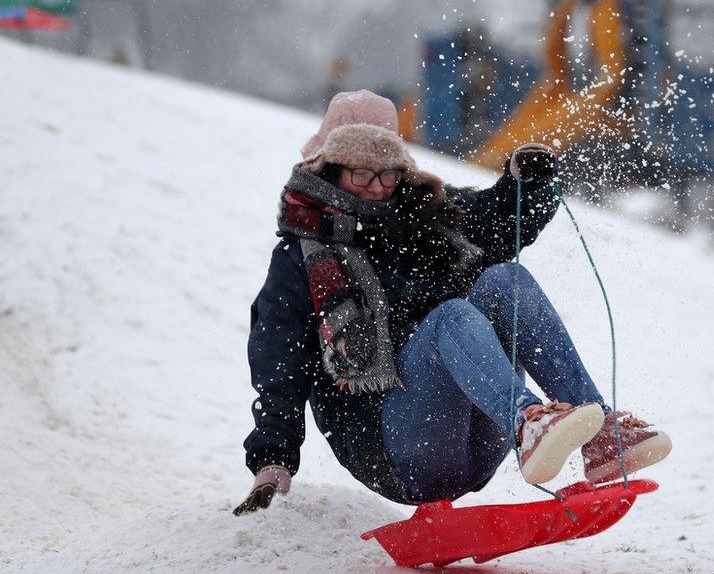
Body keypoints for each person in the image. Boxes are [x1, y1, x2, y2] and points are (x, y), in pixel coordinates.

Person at [234, 90, 671, 515]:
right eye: (361, 175)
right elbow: (280, 360)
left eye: (387, 173)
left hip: (479, 435)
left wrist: (526, 184)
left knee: (505, 280)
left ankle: (599, 437)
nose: (377, 187)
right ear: (329, 168)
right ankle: (527, 421)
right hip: (397, 449)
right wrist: (273, 458)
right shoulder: (302, 256)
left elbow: (494, 221)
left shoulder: (426, 214)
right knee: (452, 316)